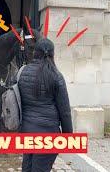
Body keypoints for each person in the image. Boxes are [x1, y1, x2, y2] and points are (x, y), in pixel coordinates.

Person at [18, 38, 73, 172]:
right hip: (48, 134)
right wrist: (68, 136)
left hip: (27, 132)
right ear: (52, 54)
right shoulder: (56, 76)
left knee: (27, 167)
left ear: (35, 53)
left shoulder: (23, 72)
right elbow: (65, 111)